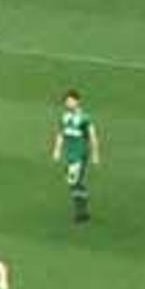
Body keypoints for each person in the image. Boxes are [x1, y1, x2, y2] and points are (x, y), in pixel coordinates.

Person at [51, 89, 100, 223]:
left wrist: (95, 154)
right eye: (66, 101)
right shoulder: (64, 117)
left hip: (80, 154)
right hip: (69, 155)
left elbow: (93, 136)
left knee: (74, 181)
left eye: (70, 101)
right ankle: (83, 210)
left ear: (77, 101)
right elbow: (61, 134)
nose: (68, 103)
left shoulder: (84, 118)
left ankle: (81, 212)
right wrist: (57, 150)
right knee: (74, 183)